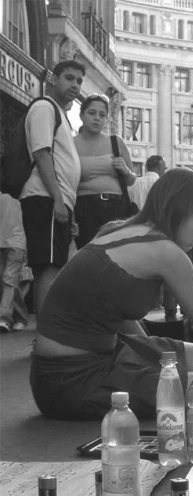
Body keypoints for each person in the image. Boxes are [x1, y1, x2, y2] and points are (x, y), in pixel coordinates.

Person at [30, 168, 193, 420]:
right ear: (178, 211)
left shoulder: (117, 230)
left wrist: (151, 363)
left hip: (101, 353)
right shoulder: (167, 252)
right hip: (69, 379)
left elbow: (114, 309)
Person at [19, 60, 84, 317]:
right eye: (69, 78)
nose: (75, 85)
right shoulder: (45, 108)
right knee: (47, 267)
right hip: (44, 199)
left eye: (78, 81)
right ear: (53, 79)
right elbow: (42, 153)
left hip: (56, 201)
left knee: (54, 267)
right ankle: (46, 337)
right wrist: (58, 199)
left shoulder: (62, 115)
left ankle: (48, 335)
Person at [74, 93, 137, 249]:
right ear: (81, 115)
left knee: (116, 254)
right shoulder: (71, 144)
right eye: (92, 113)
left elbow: (132, 180)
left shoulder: (116, 142)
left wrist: (125, 171)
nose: (97, 118)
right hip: (85, 209)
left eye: (102, 115)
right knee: (90, 255)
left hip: (115, 207)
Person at [0, 193, 29, 332]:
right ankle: (21, 317)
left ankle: (4, 319)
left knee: (8, 280)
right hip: (12, 242)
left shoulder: (15, 193)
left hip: (15, 242)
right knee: (8, 281)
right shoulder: (17, 194)